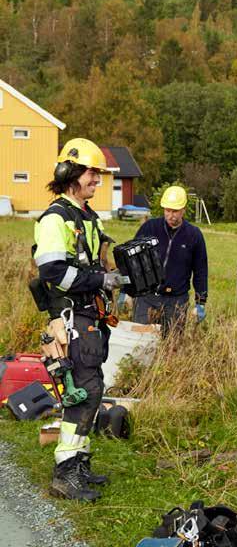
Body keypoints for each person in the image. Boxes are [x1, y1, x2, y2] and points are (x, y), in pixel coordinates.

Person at [33, 137, 125, 501]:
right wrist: (99, 280)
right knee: (83, 393)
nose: (97, 180)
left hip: (90, 316)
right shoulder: (57, 217)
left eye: (98, 174)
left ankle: (80, 464)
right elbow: (54, 272)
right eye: (91, 173)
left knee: (93, 387)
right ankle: (65, 474)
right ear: (69, 173)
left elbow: (90, 262)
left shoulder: (85, 216)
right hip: (71, 318)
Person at [131, 185, 208, 334]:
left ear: (184, 209)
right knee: (141, 344)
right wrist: (125, 290)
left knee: (172, 346)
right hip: (147, 298)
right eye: (167, 210)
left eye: (175, 211)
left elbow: (200, 270)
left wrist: (201, 302)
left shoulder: (194, 235)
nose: (170, 215)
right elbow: (133, 260)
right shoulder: (149, 228)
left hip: (177, 300)